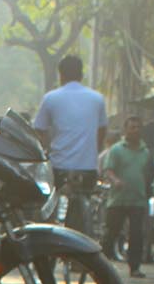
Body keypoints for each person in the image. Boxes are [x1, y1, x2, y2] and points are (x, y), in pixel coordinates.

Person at [33, 55, 107, 235]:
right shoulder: (97, 99)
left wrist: (46, 149)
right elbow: (102, 131)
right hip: (88, 168)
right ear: (81, 75)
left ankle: (48, 246)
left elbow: (39, 130)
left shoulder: (51, 98)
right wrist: (92, 154)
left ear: (61, 75)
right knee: (80, 214)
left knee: (48, 209)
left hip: (59, 166)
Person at [101, 115, 154, 278]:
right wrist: (116, 180)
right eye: (132, 127)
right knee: (112, 232)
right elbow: (108, 170)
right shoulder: (117, 150)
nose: (135, 130)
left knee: (137, 234)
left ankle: (135, 267)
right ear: (126, 130)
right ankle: (102, 264)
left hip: (138, 199)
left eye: (138, 127)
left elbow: (149, 172)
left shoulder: (145, 152)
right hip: (118, 199)